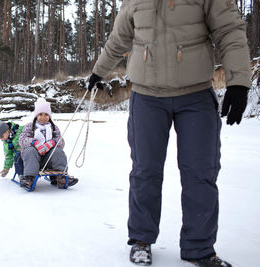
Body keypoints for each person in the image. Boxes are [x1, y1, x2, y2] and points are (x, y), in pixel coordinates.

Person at [87, 0, 251, 266]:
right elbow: (119, 38)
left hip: (196, 95)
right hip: (147, 97)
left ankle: (200, 248)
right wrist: (98, 72)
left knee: (201, 173)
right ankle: (141, 239)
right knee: (145, 171)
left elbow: (229, 31)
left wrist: (239, 81)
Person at [18, 98, 78, 190]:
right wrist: (34, 142)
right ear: (36, 115)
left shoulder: (54, 127)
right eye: (40, 114)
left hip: (49, 160)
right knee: (30, 150)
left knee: (58, 151)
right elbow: (22, 139)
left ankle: (61, 177)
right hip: (33, 159)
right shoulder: (30, 126)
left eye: (46, 114)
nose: (43, 117)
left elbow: (61, 142)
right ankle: (29, 178)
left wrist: (52, 143)